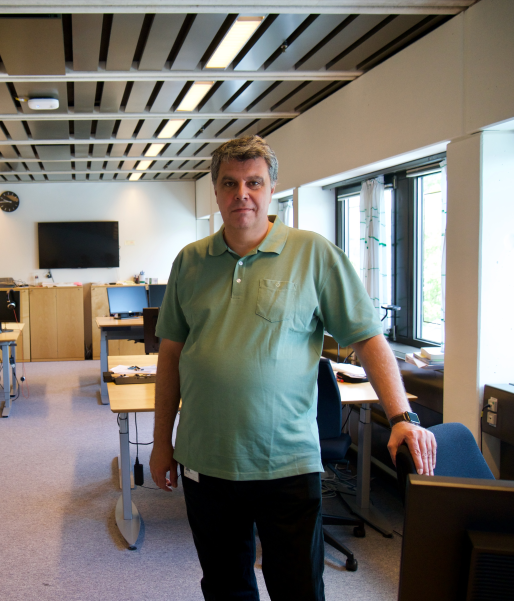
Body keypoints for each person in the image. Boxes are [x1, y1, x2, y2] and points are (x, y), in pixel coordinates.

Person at [149, 136, 436, 601]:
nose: (242, 194)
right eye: (230, 183)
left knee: (298, 588)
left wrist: (401, 416)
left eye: (254, 182)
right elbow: (170, 355)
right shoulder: (190, 261)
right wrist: (162, 442)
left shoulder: (314, 254)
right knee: (224, 587)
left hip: (285, 462)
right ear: (216, 192)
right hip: (206, 458)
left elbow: (367, 336)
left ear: (271, 189)